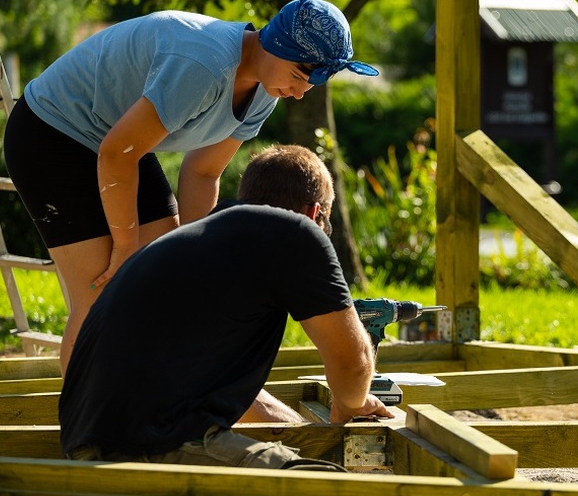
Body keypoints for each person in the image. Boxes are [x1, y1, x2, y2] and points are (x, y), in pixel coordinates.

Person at [3, 0, 379, 374]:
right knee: (104, 296)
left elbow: (203, 172)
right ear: (276, 44)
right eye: (300, 76)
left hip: (115, 140)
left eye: (314, 83)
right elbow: (117, 154)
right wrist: (125, 245)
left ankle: (143, 410)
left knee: (164, 282)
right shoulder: (205, 65)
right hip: (52, 132)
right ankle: (81, 428)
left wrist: (198, 257)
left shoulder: (266, 89)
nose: (300, 93)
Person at [60, 144, 394, 468]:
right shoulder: (297, 232)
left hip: (87, 446)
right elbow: (352, 363)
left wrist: (298, 429)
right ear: (314, 213)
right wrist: (354, 403)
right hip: (155, 445)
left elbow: (215, 390)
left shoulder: (194, 241)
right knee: (331, 492)